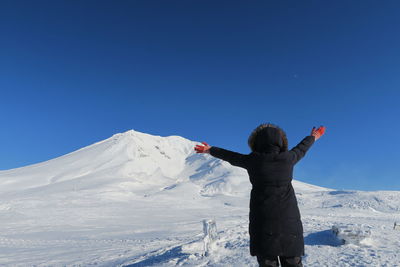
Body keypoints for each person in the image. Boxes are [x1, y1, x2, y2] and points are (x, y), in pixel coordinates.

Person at [194, 123, 326, 267]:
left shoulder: (252, 160)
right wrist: (314, 136)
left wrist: (210, 150)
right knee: (292, 263)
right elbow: (303, 147)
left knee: (268, 262)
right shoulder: (289, 158)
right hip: (290, 225)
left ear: (255, 142)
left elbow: (230, 156)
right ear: (281, 142)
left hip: (263, 224)